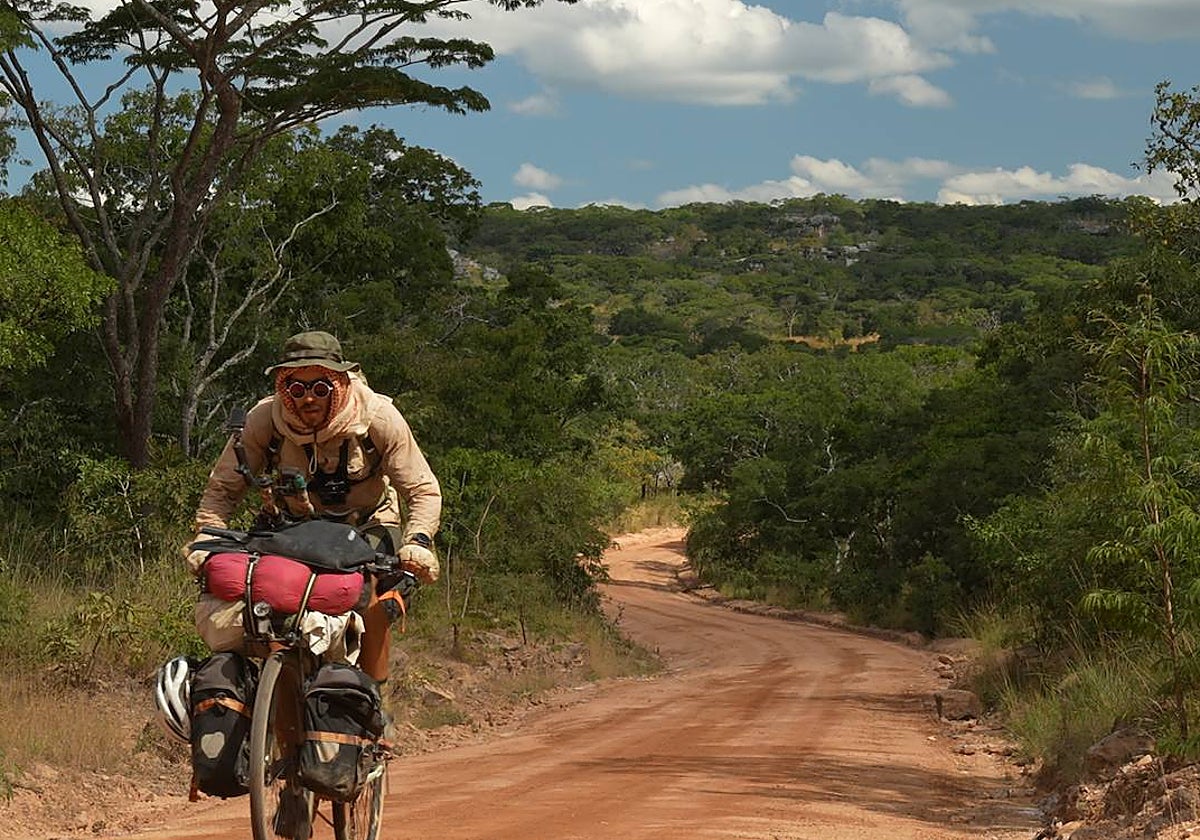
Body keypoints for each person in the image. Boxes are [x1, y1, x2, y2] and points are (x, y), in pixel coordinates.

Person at [186, 330, 441, 682]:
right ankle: (280, 700)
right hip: (294, 526)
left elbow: (422, 490)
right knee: (271, 602)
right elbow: (223, 489)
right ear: (283, 387)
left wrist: (418, 542)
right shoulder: (264, 420)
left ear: (339, 383)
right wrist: (206, 535)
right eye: (297, 388)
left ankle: (374, 700)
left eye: (320, 388)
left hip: (368, 522)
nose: (308, 399)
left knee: (370, 600)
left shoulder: (377, 418)